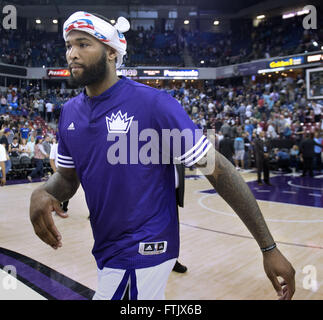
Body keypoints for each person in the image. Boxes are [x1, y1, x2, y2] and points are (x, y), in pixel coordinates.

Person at [29, 11, 295, 301]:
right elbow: (67, 179)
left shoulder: (154, 105)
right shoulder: (69, 113)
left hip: (144, 249)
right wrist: (43, 192)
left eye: (83, 44)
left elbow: (219, 170)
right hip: (107, 249)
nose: (72, 54)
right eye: (68, 45)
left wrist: (268, 247)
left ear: (111, 52)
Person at [49, 136, 69, 213]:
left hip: (68, 171)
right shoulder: (54, 146)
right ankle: (58, 205)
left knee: (67, 190)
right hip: (58, 171)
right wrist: (56, 172)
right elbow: (51, 160)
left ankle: (64, 207)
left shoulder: (68, 145)